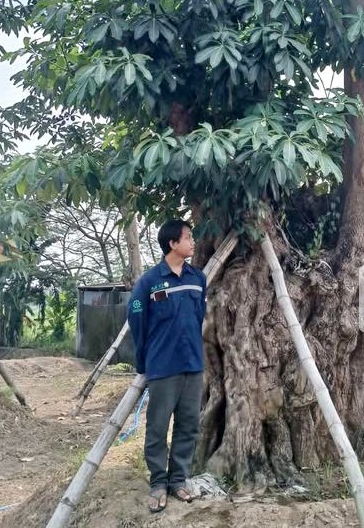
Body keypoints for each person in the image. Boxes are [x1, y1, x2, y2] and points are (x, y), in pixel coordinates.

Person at [127, 219, 207, 513]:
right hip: (162, 367)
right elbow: (137, 318)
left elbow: (199, 315)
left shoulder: (197, 279)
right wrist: (144, 360)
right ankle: (158, 483)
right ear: (173, 243)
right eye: (188, 237)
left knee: (188, 425)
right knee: (158, 427)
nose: (193, 241)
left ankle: (178, 480)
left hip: (193, 365)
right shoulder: (148, 282)